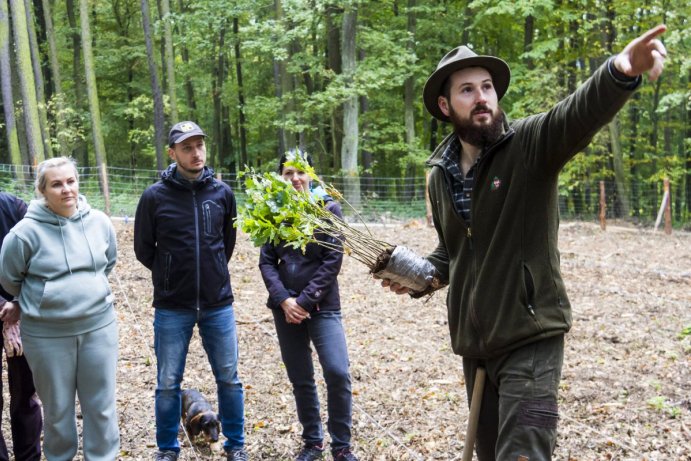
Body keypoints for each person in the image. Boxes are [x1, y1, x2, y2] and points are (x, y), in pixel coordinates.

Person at [382, 25, 668, 460]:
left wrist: (621, 70)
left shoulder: (531, 146)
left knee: (526, 453)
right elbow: (455, 251)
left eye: (487, 87)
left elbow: (576, 115)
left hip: (533, 344)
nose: (482, 98)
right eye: (466, 90)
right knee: (492, 454)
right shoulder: (440, 175)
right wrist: (421, 276)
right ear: (444, 105)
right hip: (477, 349)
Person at [134, 121, 248, 461]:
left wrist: (211, 274)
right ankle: (168, 448)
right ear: (172, 153)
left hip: (218, 304)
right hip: (172, 306)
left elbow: (225, 245)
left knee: (229, 378)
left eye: (199, 145)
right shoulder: (155, 197)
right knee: (168, 382)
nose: (195, 153)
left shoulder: (222, 194)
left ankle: (236, 444)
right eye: (187, 147)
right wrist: (170, 276)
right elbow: (144, 249)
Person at [0, 157, 119, 460]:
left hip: (98, 329)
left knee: (101, 409)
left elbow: (108, 262)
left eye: (71, 181)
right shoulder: (23, 234)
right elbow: (11, 280)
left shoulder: (100, 222)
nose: (66, 189)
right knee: (58, 412)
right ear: (42, 191)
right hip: (47, 336)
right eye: (56, 184)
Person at [258, 150, 358, 461]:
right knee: (301, 377)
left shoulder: (328, 209)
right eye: (288, 173)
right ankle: (312, 442)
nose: (295, 178)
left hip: (322, 306)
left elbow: (332, 259)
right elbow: (266, 262)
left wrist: (304, 300)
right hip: (284, 309)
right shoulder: (272, 212)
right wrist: (284, 300)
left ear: (311, 175)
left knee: (337, 372)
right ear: (281, 178)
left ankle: (341, 446)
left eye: (301, 172)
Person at [0, 192, 42, 461]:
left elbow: (37, 256)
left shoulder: (13, 206)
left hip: (19, 311)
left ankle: (29, 457)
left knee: (25, 391)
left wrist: (17, 301)